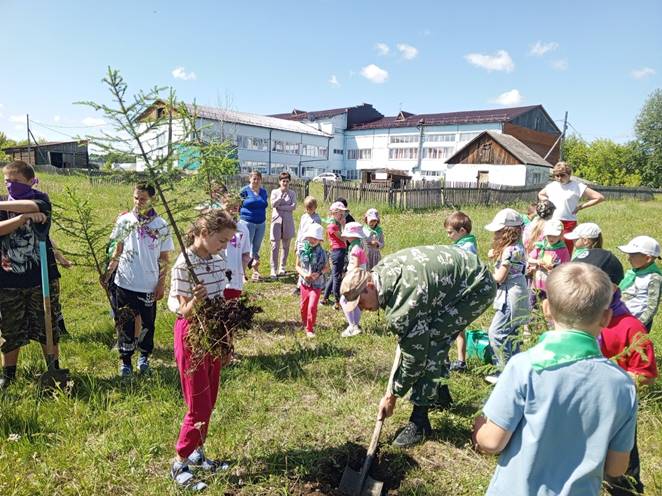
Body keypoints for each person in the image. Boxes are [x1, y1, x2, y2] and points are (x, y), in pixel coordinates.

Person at [473, 263, 638, 496]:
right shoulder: (623, 385)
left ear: (546, 308)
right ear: (606, 317)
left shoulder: (525, 367)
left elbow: (491, 442)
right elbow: (616, 467)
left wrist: (479, 428)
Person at [340, 245, 496, 447]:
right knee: (428, 332)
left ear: (369, 285)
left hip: (476, 287)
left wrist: (393, 395)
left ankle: (420, 421)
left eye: (361, 302)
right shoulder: (381, 272)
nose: (362, 309)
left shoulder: (402, 308)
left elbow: (415, 360)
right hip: (457, 276)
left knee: (432, 342)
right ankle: (441, 393)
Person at [577, 248, 658, 495]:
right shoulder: (575, 320)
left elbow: (646, 374)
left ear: (611, 287)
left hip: (617, 415)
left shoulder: (629, 327)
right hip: (580, 410)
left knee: (620, 476)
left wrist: (610, 380)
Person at [167, 209, 237, 490]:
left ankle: (197, 452)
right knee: (198, 404)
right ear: (205, 234)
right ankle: (179, 462)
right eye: (222, 240)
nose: (225, 246)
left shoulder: (218, 260)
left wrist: (227, 341)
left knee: (211, 397)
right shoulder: (184, 265)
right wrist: (194, 301)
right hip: (193, 336)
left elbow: (221, 302)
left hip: (214, 334)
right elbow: (182, 311)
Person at [0, 161, 62, 389]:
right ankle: (9, 375)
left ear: (30, 181)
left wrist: (29, 213)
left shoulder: (42, 199)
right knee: (10, 329)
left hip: (41, 278)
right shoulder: (3, 202)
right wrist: (20, 220)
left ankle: (53, 370)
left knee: (48, 326)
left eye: (16, 181)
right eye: (7, 180)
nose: (10, 185)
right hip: (8, 279)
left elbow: (36, 206)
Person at [107, 183, 174, 377]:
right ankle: (125, 361)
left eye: (143, 199)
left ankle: (144, 357)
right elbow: (117, 250)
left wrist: (161, 283)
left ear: (152, 200)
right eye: (136, 198)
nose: (138, 202)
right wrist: (109, 271)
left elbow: (164, 259)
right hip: (125, 281)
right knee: (125, 321)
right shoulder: (124, 221)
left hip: (148, 283)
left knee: (148, 323)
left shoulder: (160, 225)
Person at [484, 209, 529, 384]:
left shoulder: (510, 250)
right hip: (516, 291)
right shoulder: (516, 247)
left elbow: (500, 277)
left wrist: (486, 275)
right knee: (513, 335)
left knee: (497, 333)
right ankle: (518, 373)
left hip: (510, 294)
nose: (495, 234)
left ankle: (504, 373)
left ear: (508, 231)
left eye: (498, 231)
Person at [538, 161, 605, 253]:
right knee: (549, 249)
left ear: (569, 174)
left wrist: (580, 207)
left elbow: (599, 197)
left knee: (566, 250)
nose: (559, 178)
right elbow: (541, 194)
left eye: (562, 175)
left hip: (568, 223)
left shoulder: (577, 186)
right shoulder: (552, 186)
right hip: (552, 221)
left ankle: (565, 267)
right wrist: (547, 203)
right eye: (556, 175)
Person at [444, 211, 477, 373]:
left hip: (460, 292)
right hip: (457, 290)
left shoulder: (467, 247)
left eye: (451, 232)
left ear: (462, 231)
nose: (449, 236)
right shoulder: (464, 244)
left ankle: (457, 361)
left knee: (454, 327)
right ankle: (459, 361)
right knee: (458, 328)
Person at [618, 236, 662, 332]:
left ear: (647, 258)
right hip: (623, 319)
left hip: (637, 322)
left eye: (632, 256)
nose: (628, 259)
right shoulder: (633, 273)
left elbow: (652, 306)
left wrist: (639, 324)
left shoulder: (654, 278)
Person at [295, 224, 329, 338]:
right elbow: (297, 266)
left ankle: (310, 328)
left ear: (320, 240)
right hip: (304, 283)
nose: (313, 240)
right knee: (303, 306)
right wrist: (304, 274)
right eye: (311, 237)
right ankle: (305, 324)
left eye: (316, 238)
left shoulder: (323, 253)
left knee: (312, 306)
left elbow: (327, 267)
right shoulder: (302, 250)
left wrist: (318, 274)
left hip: (316, 284)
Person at [527, 219, 570, 305]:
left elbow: (566, 267)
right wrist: (537, 261)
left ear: (561, 234)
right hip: (536, 283)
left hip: (551, 285)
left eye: (554, 235)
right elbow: (529, 259)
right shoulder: (541, 246)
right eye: (549, 235)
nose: (551, 238)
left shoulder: (562, 250)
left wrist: (555, 268)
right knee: (532, 304)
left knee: (548, 306)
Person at [339, 222, 368, 337]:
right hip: (361, 277)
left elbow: (355, 266)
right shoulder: (360, 245)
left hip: (355, 277)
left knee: (344, 301)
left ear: (353, 236)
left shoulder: (355, 249)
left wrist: (349, 277)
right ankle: (355, 324)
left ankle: (352, 326)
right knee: (356, 302)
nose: (345, 237)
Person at [220, 192, 251, 299]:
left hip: (234, 278)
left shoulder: (242, 228)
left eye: (235, 206)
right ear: (223, 205)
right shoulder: (215, 226)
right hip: (217, 275)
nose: (232, 209)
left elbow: (245, 255)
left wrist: (240, 274)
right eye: (229, 206)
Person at [239, 171, 268, 282]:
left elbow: (265, 205)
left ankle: (255, 271)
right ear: (250, 179)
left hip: (260, 223)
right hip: (247, 222)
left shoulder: (264, 192)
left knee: (255, 248)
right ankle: (242, 273)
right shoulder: (244, 191)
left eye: (258, 179)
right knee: (245, 248)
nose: (256, 181)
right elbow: (238, 205)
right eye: (254, 179)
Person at [269, 172, 297, 279]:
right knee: (275, 246)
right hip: (276, 222)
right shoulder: (275, 192)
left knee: (286, 246)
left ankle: (282, 267)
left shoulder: (292, 193)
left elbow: (293, 207)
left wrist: (281, 207)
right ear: (279, 182)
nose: (285, 183)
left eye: (287, 181)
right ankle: (273, 269)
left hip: (288, 222)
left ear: (289, 182)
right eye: (283, 181)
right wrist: (280, 198)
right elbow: (273, 205)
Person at [321, 201, 348, 309]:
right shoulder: (333, 226)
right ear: (335, 213)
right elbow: (344, 237)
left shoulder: (334, 224)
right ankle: (337, 302)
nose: (342, 215)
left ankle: (325, 298)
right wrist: (344, 225)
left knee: (333, 275)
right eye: (340, 213)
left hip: (338, 251)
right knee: (337, 277)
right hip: (338, 252)